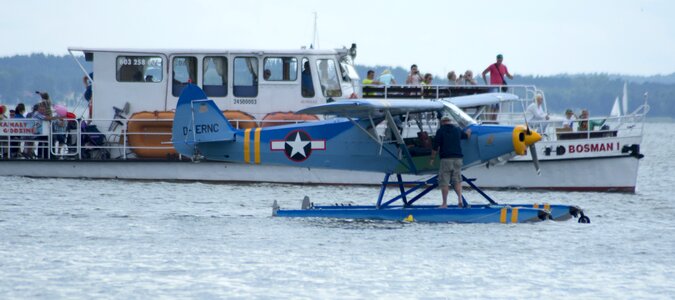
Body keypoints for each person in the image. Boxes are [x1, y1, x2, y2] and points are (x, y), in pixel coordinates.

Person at [430, 116, 471, 208]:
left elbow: (435, 146)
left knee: (444, 181)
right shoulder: (457, 130)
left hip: (446, 159)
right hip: (458, 159)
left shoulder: (440, 131)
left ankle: (444, 203)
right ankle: (460, 199)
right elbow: (466, 136)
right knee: (457, 180)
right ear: (450, 121)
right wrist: (469, 132)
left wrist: (432, 158)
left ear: (442, 122)